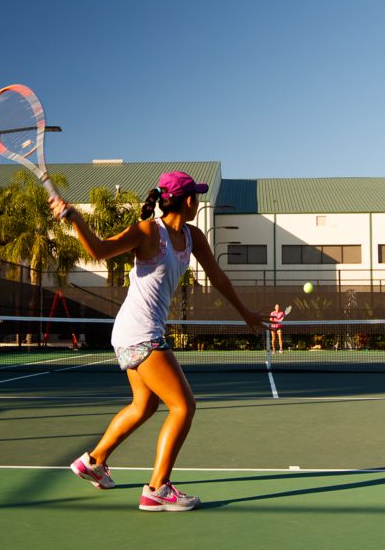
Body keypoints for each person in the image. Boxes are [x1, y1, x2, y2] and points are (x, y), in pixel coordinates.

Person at [52, 171, 261, 512]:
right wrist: (74, 218)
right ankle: (157, 488)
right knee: (184, 406)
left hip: (136, 332)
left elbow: (217, 276)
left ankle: (94, 460)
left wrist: (245, 312)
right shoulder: (149, 231)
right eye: (197, 196)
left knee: (145, 406)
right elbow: (101, 250)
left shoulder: (193, 237)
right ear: (189, 200)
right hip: (140, 333)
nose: (200, 200)